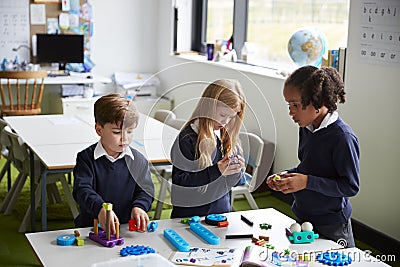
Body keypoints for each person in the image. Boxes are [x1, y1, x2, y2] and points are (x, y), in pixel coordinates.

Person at [266, 66, 360, 247]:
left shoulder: (342, 138)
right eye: (289, 105)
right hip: (304, 215)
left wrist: (306, 182)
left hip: (332, 224)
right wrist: (288, 176)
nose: (291, 112)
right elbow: (309, 168)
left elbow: (350, 186)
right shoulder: (306, 128)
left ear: (318, 102)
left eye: (295, 105)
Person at [73, 93, 154, 233]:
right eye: (117, 132)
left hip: (126, 229)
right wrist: (100, 208)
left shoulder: (139, 161)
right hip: (91, 228)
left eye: (129, 131)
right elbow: (82, 190)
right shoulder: (86, 158)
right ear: (99, 130)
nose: (124, 138)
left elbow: (146, 191)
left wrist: (139, 206)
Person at [169, 79, 247, 218]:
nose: (226, 121)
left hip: (220, 216)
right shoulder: (187, 138)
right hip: (189, 217)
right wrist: (217, 170)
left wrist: (237, 171)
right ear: (208, 107)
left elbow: (235, 183)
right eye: (222, 115)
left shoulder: (227, 138)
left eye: (232, 117)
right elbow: (181, 183)